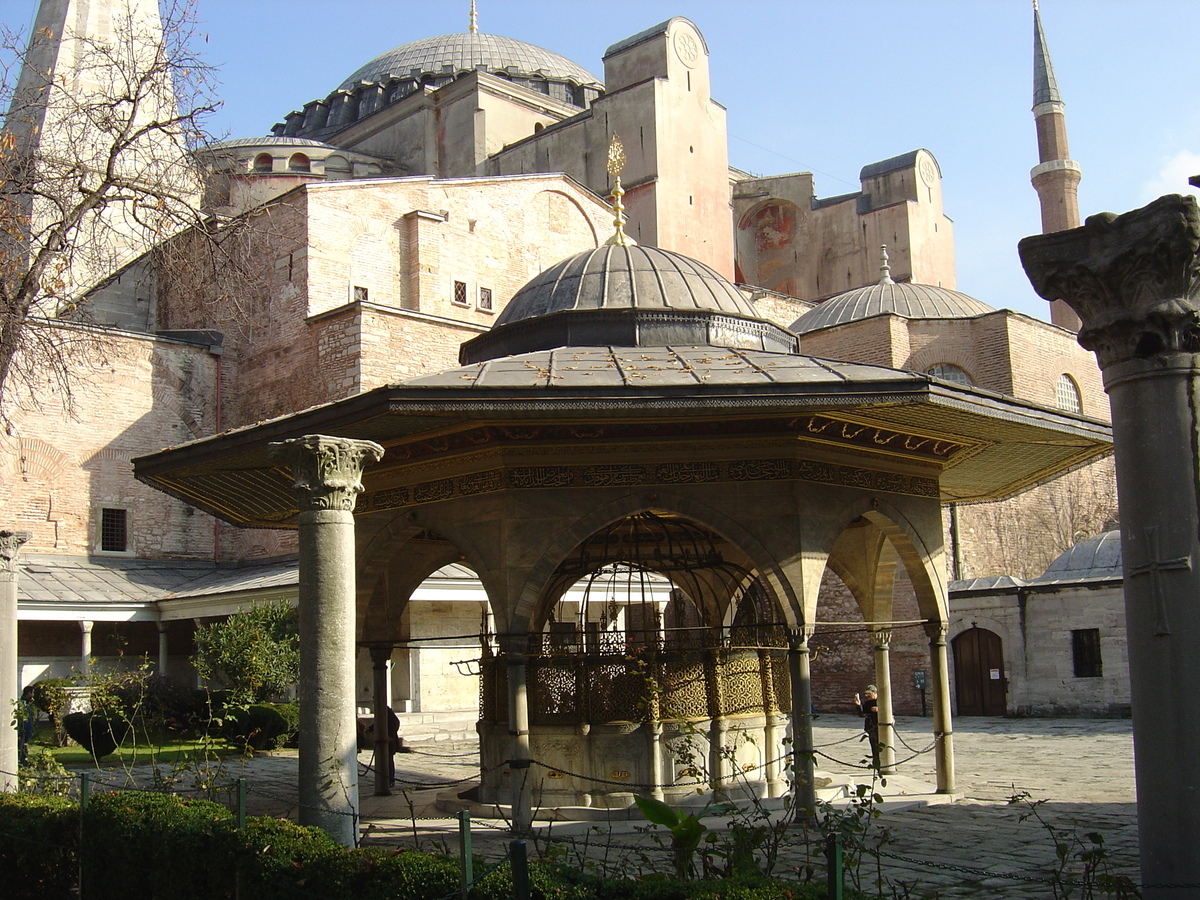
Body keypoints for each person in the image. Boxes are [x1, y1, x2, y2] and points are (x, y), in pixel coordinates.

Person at [853, 684, 880, 768]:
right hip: (871, 727)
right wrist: (858, 705)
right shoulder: (867, 703)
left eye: (869, 693)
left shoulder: (881, 701)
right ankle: (876, 764)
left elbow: (888, 711)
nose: (867, 695)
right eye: (866, 694)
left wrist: (879, 709)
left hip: (880, 727)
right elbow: (862, 714)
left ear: (875, 692)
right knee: (874, 748)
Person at [16, 685, 36, 764]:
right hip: (23, 731)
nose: (33, 695)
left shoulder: (28, 704)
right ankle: (20, 762)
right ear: (29, 693)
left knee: (24, 747)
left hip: (27, 731)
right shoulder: (22, 704)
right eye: (32, 693)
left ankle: (23, 761)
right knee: (21, 747)